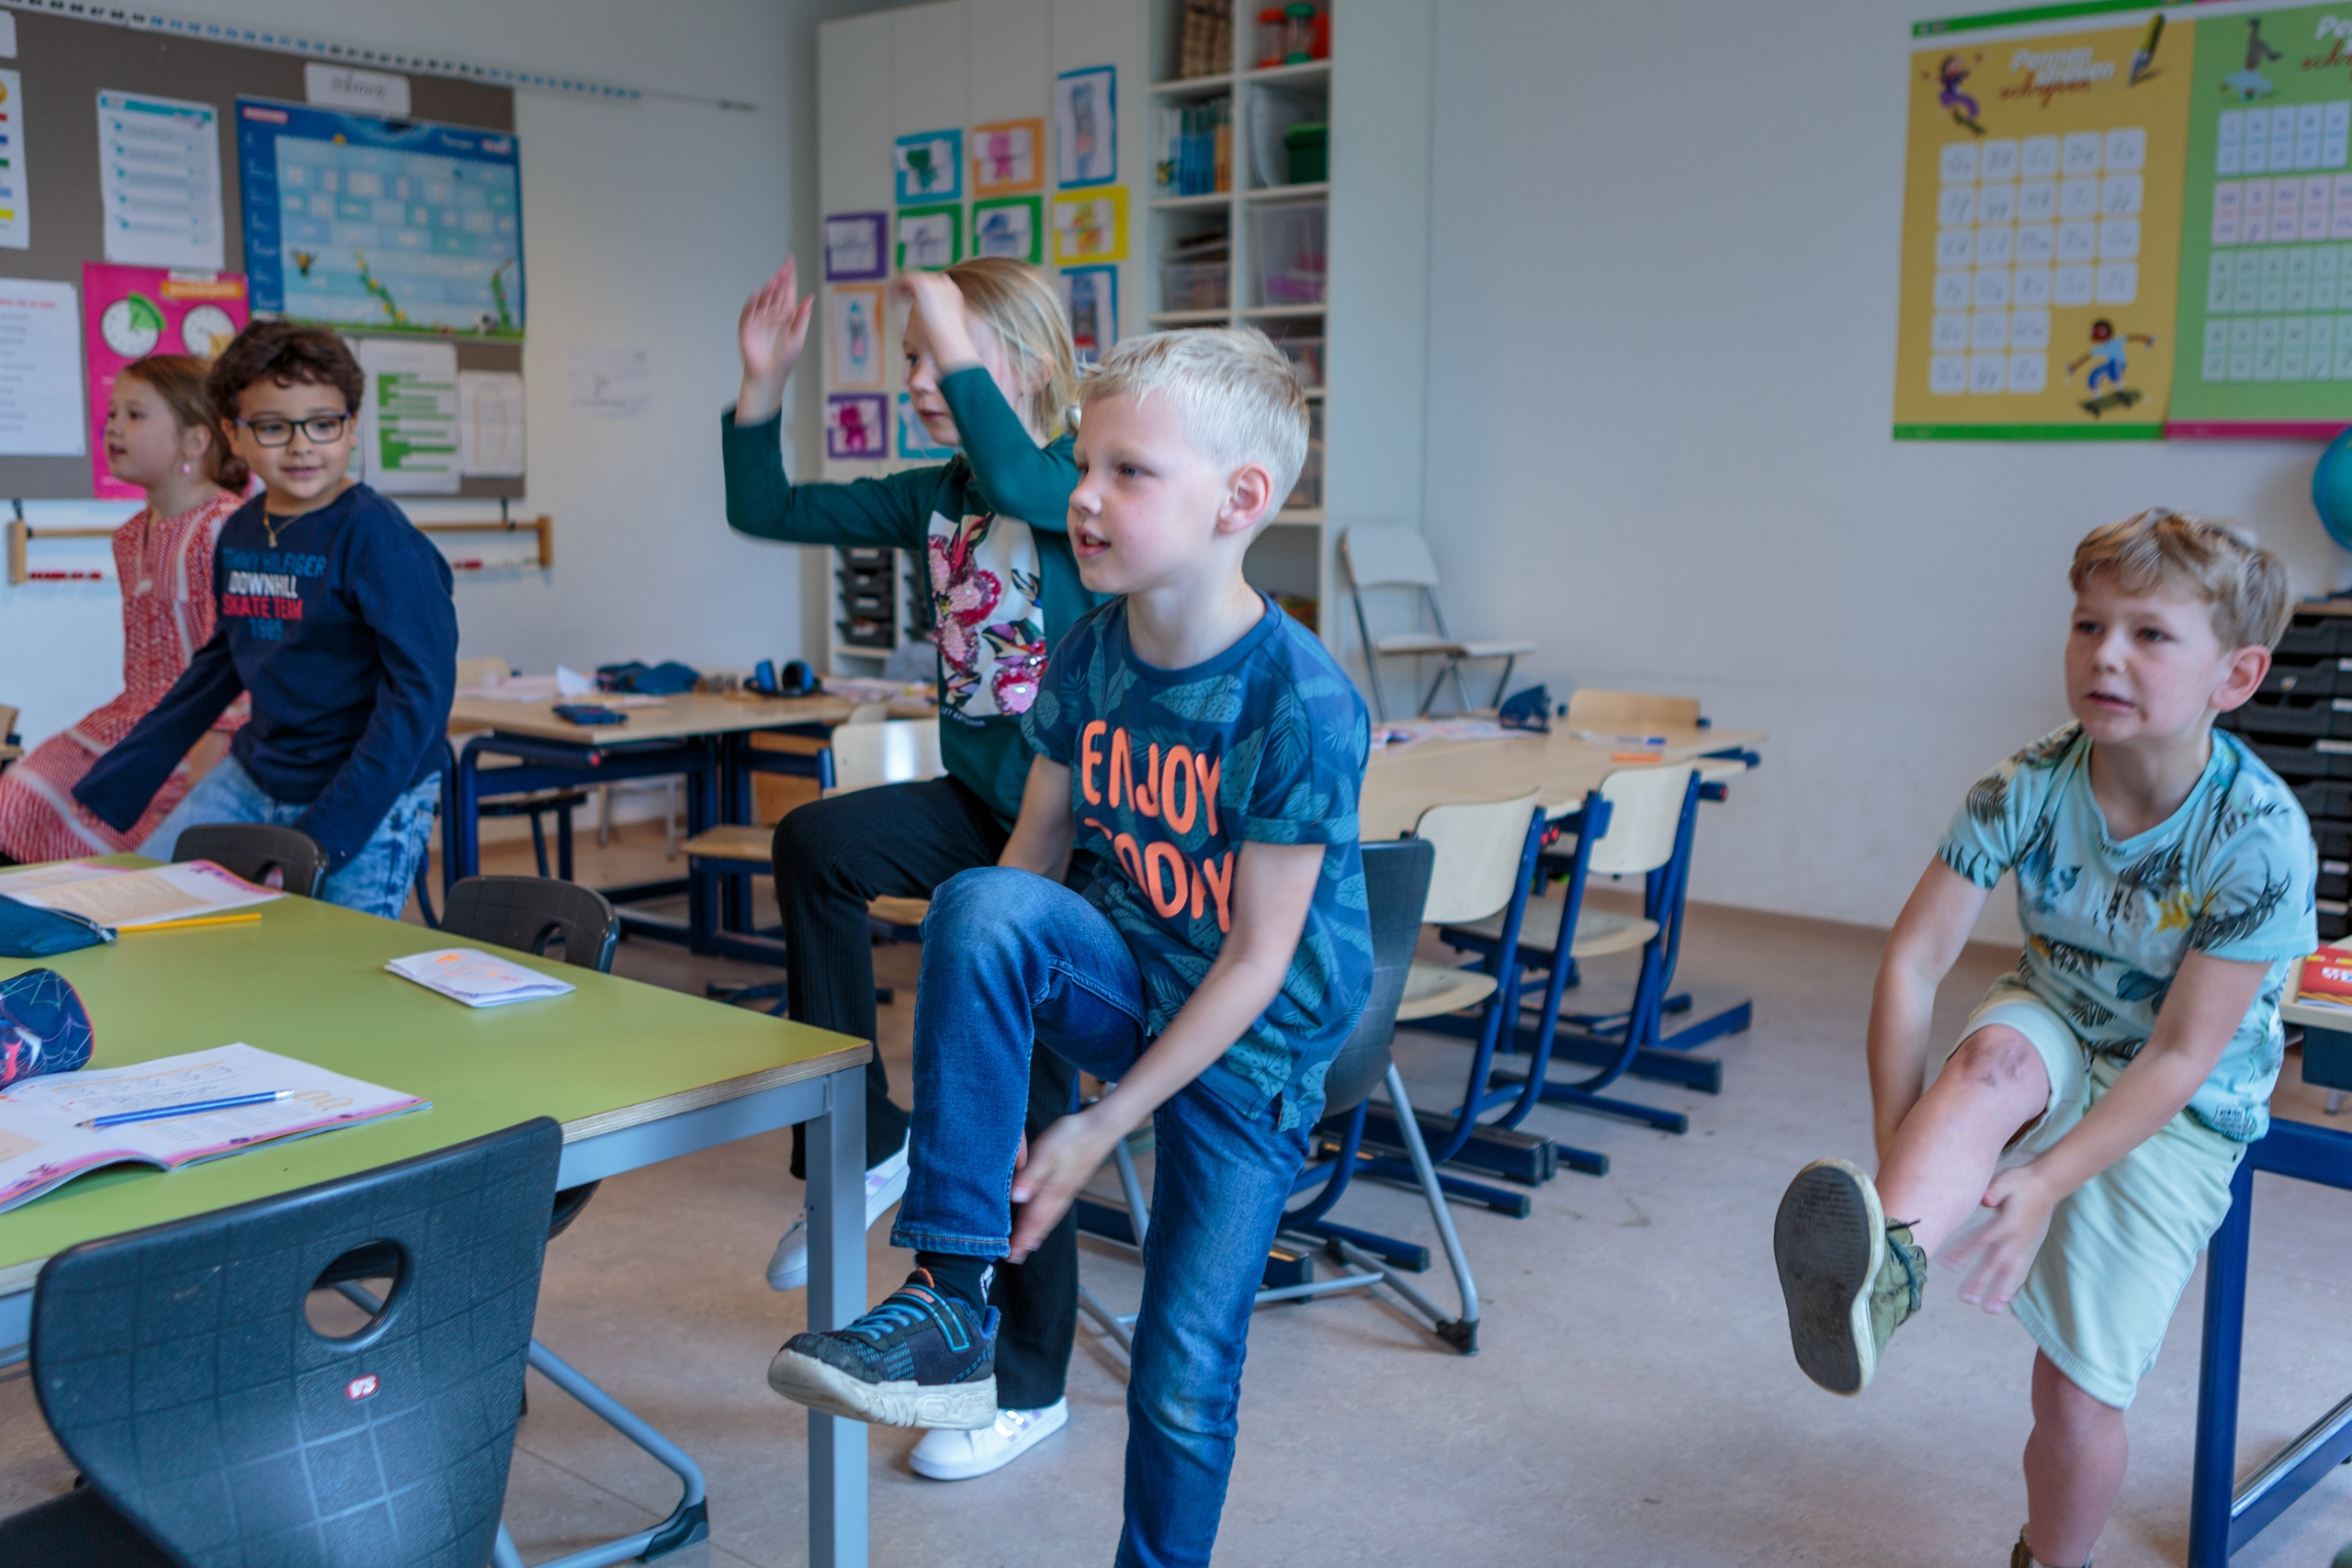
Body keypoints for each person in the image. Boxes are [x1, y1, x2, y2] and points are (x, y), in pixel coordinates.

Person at [766, 327, 1371, 1567]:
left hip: (1251, 1051)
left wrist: (1102, 1124)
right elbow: (1025, 868)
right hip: (1130, 976)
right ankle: (951, 1305)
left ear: (1239, 501)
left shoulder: (1298, 700)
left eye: (1127, 471)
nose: (1081, 496)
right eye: (1084, 463)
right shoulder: (1090, 649)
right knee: (978, 901)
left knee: (1182, 1370)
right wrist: (985, 1095)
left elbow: (1257, 964)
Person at [1771, 510, 2313, 1568]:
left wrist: (2050, 1178)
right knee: (1992, 1062)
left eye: (2149, 635)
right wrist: (1900, 1154)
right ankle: (1886, 1266)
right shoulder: (2026, 782)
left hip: (2184, 1096)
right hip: (2058, 1014)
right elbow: (1914, 961)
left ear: (2235, 676)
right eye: (2087, 625)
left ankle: (2052, 1560)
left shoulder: (2259, 838)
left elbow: (2179, 1055)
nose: (2104, 654)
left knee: (2074, 1398)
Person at [721, 254, 1098, 1478]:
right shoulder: (937, 498)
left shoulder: (1081, 485)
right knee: (816, 841)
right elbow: (768, 511)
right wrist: (761, 386)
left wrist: (956, 333)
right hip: (977, 802)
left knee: (1028, 1101)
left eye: (941, 359)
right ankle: (868, 1137)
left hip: (1073, 839)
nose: (920, 382)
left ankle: (1028, 1382)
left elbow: (1023, 478)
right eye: (914, 360)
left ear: (1025, 366)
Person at [74, 322, 456, 919]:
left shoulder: (379, 537)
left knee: (333, 949)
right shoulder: (243, 530)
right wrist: (124, 774)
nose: (301, 446)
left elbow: (419, 695)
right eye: (273, 427)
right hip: (261, 771)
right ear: (235, 432)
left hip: (371, 783)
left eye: (323, 424)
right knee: (141, 901)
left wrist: (325, 834)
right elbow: (223, 659)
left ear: (352, 426)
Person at [0, 356, 246, 863]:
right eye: (112, 413)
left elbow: (239, 665)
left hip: (206, 732)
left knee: (143, 838)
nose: (113, 427)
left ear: (195, 442)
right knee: (20, 794)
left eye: (135, 415)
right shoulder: (131, 535)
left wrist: (208, 752)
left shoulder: (226, 528)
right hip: (136, 721)